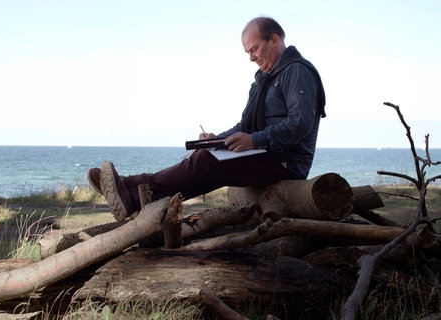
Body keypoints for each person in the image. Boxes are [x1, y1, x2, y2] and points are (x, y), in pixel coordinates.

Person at [88, 16, 326, 221]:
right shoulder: (263, 80)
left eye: (254, 49)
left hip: (285, 163)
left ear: (274, 40)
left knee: (205, 162)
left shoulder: (297, 71)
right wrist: (216, 140)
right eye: (248, 52)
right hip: (265, 155)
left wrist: (255, 141)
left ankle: (130, 186)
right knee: (208, 165)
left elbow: (300, 123)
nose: (251, 57)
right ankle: (139, 203)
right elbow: (245, 126)